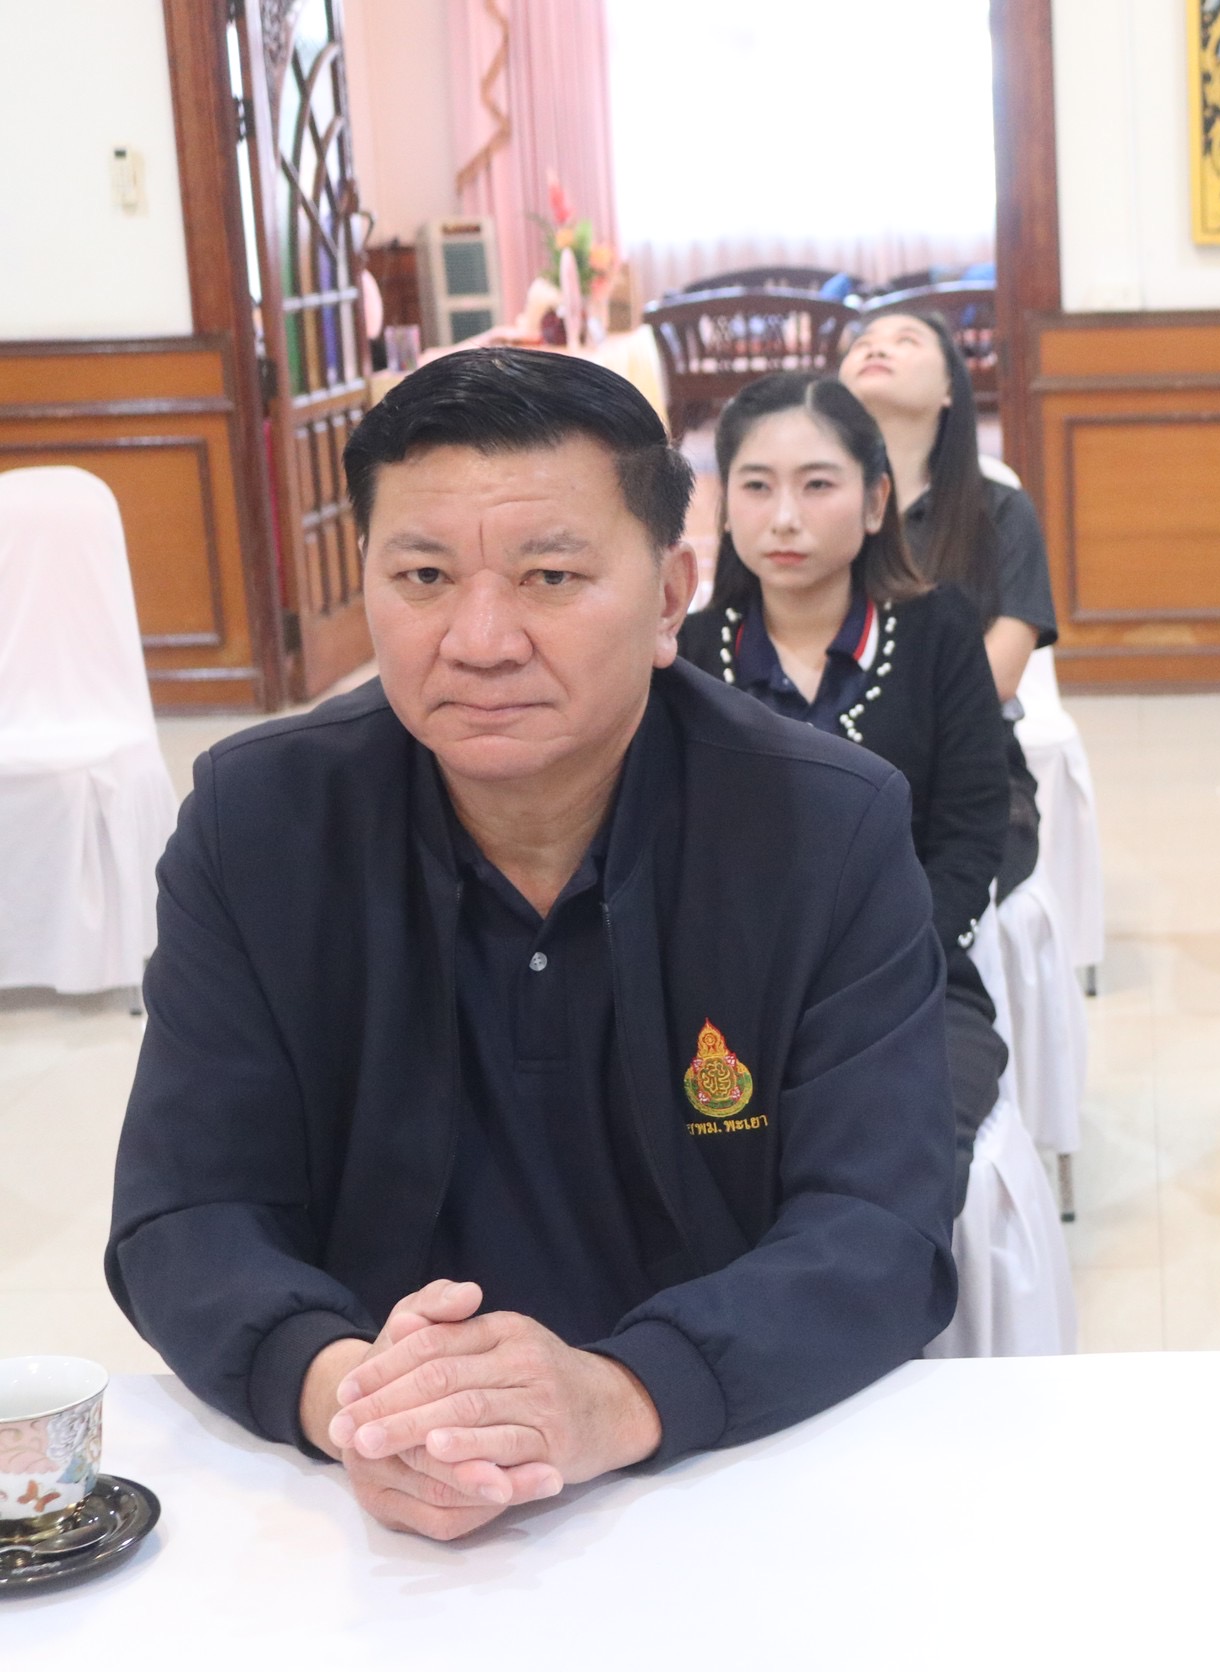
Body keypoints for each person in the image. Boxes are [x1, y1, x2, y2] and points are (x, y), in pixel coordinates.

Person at [106, 348, 957, 1541]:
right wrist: (356, 1397)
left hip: (727, 1470)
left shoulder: (825, 825)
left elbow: (879, 1224)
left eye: (550, 575)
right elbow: (185, 1210)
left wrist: (615, 1397)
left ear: (670, 597)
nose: (480, 638)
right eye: (423, 575)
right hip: (361, 1493)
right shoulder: (259, 821)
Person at [678, 372, 1009, 1213]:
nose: (784, 517)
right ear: (725, 506)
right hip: (722, 997)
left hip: (909, 982)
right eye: (757, 487)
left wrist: (884, 962)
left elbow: (972, 833)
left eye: (817, 485)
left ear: (875, 502)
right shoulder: (683, 657)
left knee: (899, 1167)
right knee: (708, 1172)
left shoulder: (938, 633)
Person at [841, 310, 1055, 893]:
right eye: (863, 343)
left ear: (948, 390)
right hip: (830, 762)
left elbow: (999, 677)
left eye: (905, 340)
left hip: (965, 777)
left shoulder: (1001, 511)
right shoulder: (814, 513)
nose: (876, 348)